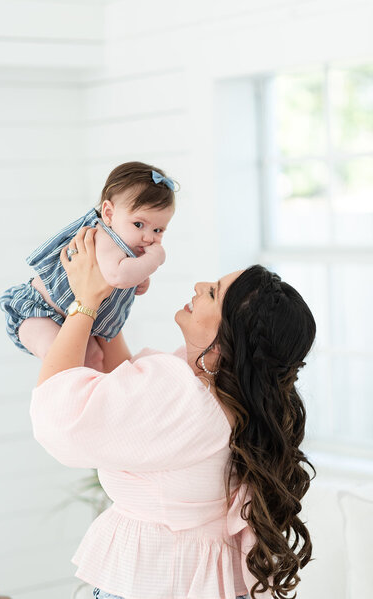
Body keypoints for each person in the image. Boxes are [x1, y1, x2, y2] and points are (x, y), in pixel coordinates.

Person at [29, 226, 317, 599]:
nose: (199, 286)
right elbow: (131, 399)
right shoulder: (227, 393)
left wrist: (84, 303)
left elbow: (60, 418)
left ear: (224, 341)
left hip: (151, 582)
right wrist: (112, 295)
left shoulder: (188, 398)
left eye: (212, 292)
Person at [0, 161, 176, 370]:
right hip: (38, 312)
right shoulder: (105, 238)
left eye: (158, 230)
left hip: (76, 319)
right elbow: (118, 276)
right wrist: (153, 261)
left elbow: (124, 277)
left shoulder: (128, 249)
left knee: (94, 360)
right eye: (139, 225)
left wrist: (140, 279)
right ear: (109, 214)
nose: (148, 237)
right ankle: (56, 398)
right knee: (59, 359)